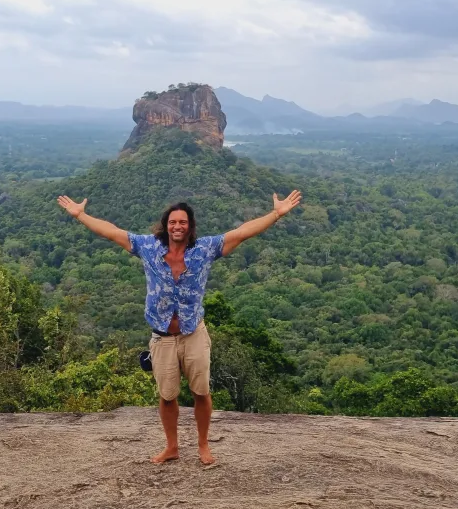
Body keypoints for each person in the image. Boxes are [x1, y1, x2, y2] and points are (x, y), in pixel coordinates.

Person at [56, 191, 302, 465]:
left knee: (201, 392)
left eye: (183, 222)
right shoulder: (149, 247)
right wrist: (81, 216)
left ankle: (203, 445)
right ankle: (171, 447)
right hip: (162, 337)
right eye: (173, 222)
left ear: (190, 226)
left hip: (193, 333)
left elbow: (242, 233)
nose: (177, 226)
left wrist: (276, 214)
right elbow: (111, 232)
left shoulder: (204, 250)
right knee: (167, 396)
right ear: (166, 225)